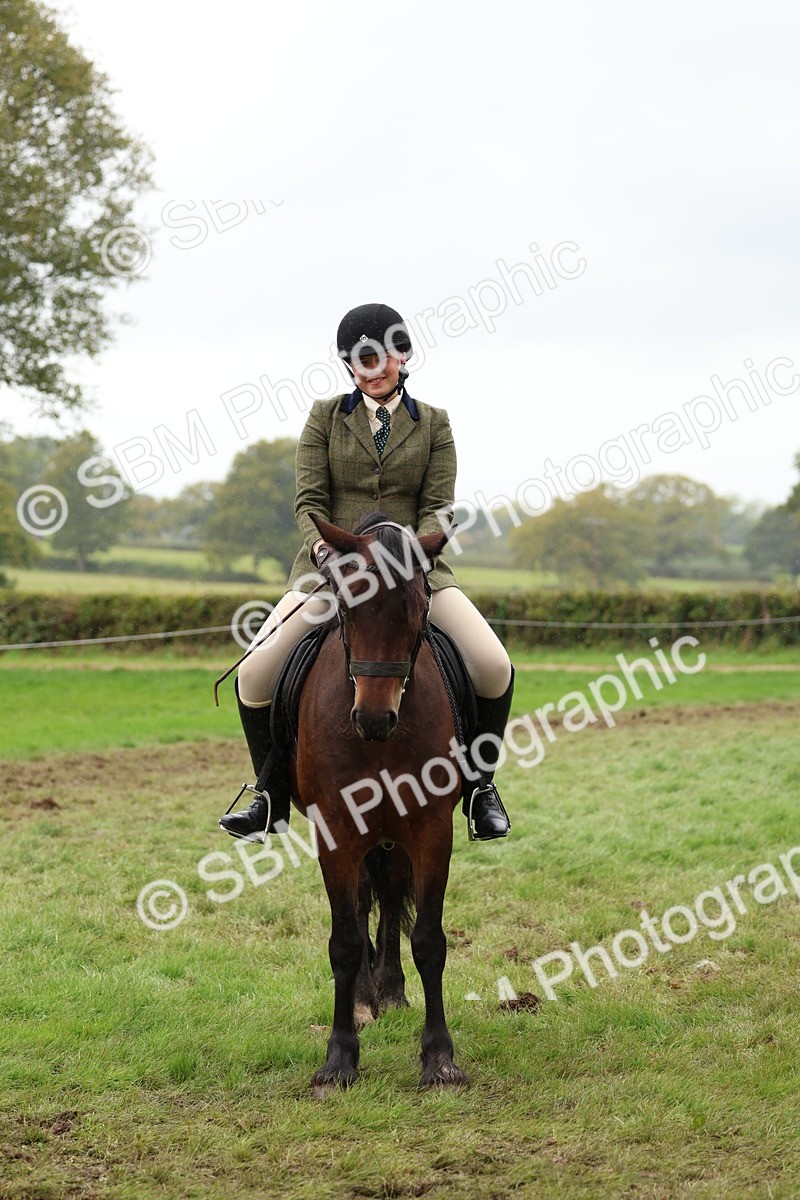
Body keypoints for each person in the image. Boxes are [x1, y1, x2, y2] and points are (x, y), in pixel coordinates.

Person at [219, 303, 514, 843]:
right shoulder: (324, 417)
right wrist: (329, 556)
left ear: (402, 355)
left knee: (494, 665)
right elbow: (309, 502)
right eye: (358, 361)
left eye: (380, 357)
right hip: (331, 571)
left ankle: (480, 790)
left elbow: (438, 508)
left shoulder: (435, 424)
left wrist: (410, 557)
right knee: (254, 673)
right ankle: (268, 795)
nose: (372, 369)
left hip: (412, 574)